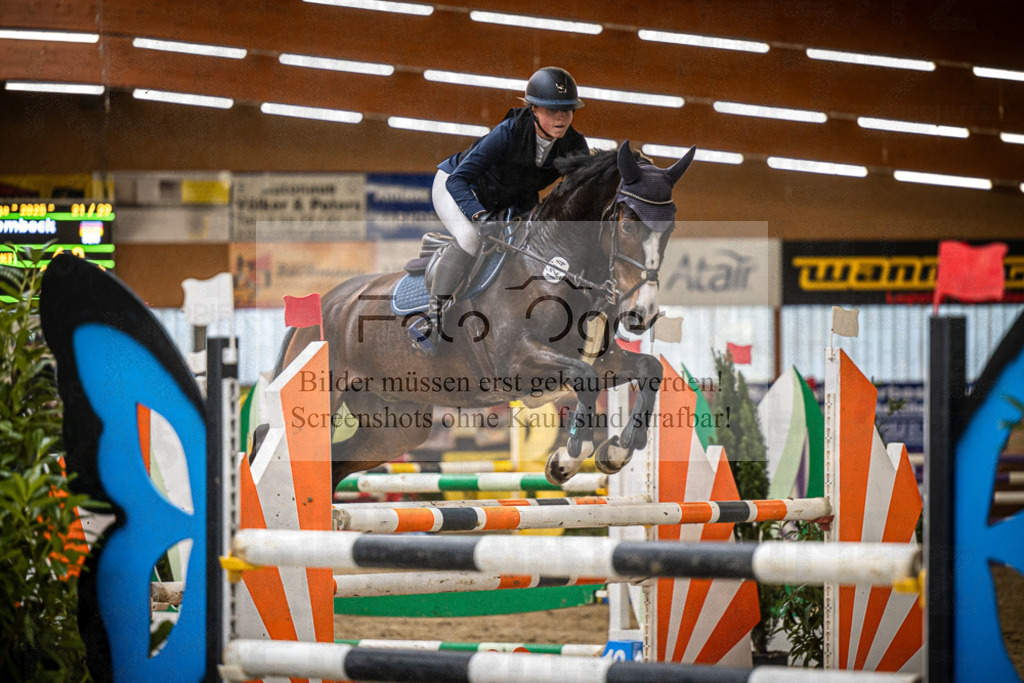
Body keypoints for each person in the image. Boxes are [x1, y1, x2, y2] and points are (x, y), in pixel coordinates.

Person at [409, 66, 589, 354]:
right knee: (470, 238)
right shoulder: (507, 133)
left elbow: (581, 191)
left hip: (511, 201)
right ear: (533, 109)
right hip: (458, 188)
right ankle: (433, 319)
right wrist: (479, 216)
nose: (561, 117)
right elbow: (458, 180)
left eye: (567, 110)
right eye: (553, 110)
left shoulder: (574, 144)